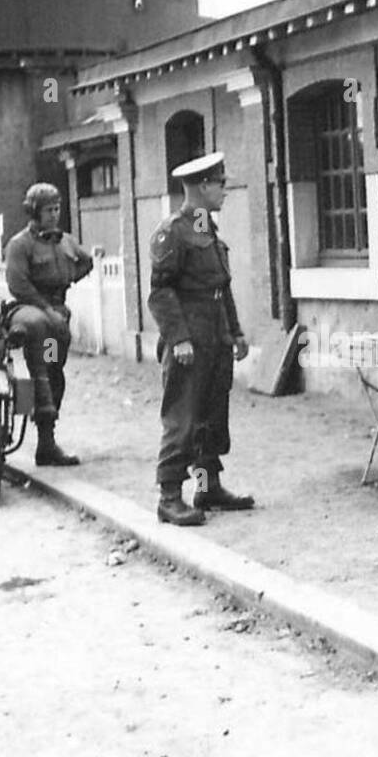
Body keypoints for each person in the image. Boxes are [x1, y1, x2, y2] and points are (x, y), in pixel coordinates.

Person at [148, 152, 253, 526]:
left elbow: (221, 289)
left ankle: (207, 487)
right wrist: (178, 339)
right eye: (221, 183)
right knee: (184, 416)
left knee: (212, 414)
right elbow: (160, 292)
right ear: (203, 186)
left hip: (216, 334)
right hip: (189, 335)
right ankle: (169, 496)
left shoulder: (208, 229)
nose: (225, 189)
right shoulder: (172, 231)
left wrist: (235, 331)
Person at [4, 182, 93, 466]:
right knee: (40, 370)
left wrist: (68, 280)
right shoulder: (20, 244)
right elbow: (18, 283)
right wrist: (45, 307)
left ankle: (47, 441)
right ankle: (42, 437)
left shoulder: (64, 241)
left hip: (57, 318)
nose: (54, 215)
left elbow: (86, 261)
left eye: (57, 209)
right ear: (33, 212)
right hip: (30, 312)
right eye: (48, 210)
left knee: (54, 371)